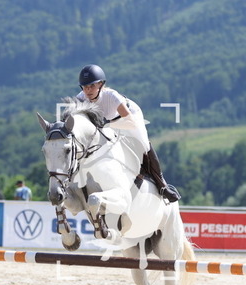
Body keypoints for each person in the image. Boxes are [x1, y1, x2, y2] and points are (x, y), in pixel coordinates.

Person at [75, 64, 181, 203]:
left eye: (92, 86)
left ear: (101, 84)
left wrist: (108, 124)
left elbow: (130, 122)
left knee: (144, 144)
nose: (88, 90)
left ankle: (162, 185)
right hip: (104, 125)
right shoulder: (80, 99)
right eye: (85, 87)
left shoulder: (111, 96)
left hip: (127, 119)